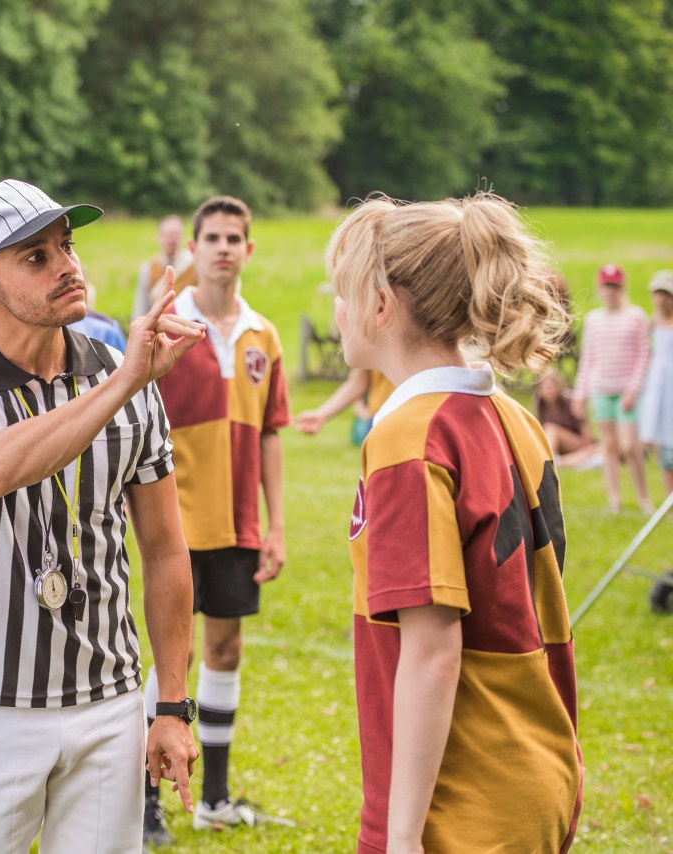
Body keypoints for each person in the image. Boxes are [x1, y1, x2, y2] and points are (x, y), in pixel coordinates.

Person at [0, 179, 204, 853]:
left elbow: (164, 550)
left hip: (110, 702)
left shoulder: (127, 378)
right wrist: (127, 382)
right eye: (34, 257)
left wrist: (172, 704)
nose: (67, 265)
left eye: (65, 246)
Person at [328, 192, 581, 853]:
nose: (337, 309)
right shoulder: (514, 418)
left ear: (382, 305)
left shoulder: (410, 438)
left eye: (343, 290)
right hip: (536, 773)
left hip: (462, 803)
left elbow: (434, 654)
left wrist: (401, 835)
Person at [149, 195, 293, 845]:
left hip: (238, 524)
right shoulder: (169, 325)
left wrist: (277, 524)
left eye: (236, 237)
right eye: (213, 236)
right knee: (168, 659)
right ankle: (146, 801)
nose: (224, 247)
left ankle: (212, 798)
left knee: (225, 650)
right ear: (194, 249)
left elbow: (269, 434)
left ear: (249, 249)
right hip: (174, 526)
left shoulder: (264, 334)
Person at [572, 264, 653, 514]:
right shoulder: (594, 320)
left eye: (615, 286)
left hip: (625, 391)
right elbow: (587, 358)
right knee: (608, 445)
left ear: (622, 287)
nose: (610, 291)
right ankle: (614, 499)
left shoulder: (636, 316)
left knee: (630, 446)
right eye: (606, 286)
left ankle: (643, 498)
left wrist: (633, 390)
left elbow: (643, 355)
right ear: (600, 288)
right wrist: (580, 393)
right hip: (600, 389)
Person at [295, 368, 394, 444]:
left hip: (405, 420)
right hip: (377, 422)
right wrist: (321, 414)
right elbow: (358, 382)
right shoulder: (371, 343)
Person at [640, 270, 673, 499]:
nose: (661, 299)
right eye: (657, 294)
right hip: (659, 386)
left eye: (665, 294)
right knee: (663, 442)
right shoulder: (652, 322)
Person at [133, 214, 195, 319]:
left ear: (182, 237)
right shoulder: (148, 268)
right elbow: (141, 307)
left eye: (175, 235)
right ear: (159, 237)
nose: (171, 240)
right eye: (167, 235)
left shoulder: (194, 265)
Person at [536, 370, 598, 468]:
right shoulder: (541, 407)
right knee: (550, 429)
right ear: (540, 391)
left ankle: (548, 460)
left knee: (551, 429)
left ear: (558, 387)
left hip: (578, 443)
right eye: (547, 388)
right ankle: (557, 461)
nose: (550, 391)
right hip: (560, 448)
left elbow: (586, 433)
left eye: (552, 387)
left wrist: (588, 448)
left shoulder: (570, 402)